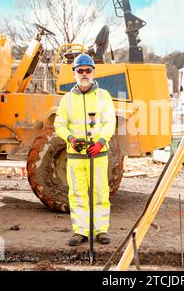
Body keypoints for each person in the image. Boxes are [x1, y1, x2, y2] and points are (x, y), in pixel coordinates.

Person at [54, 54, 116, 246]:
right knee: (77, 194)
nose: (84, 74)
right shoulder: (67, 99)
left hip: (98, 154)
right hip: (75, 155)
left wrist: (100, 142)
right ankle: (80, 231)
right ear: (74, 73)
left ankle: (101, 230)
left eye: (87, 70)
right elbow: (59, 124)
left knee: (100, 192)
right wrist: (70, 139)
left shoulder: (103, 96)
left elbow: (109, 122)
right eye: (80, 70)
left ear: (93, 72)